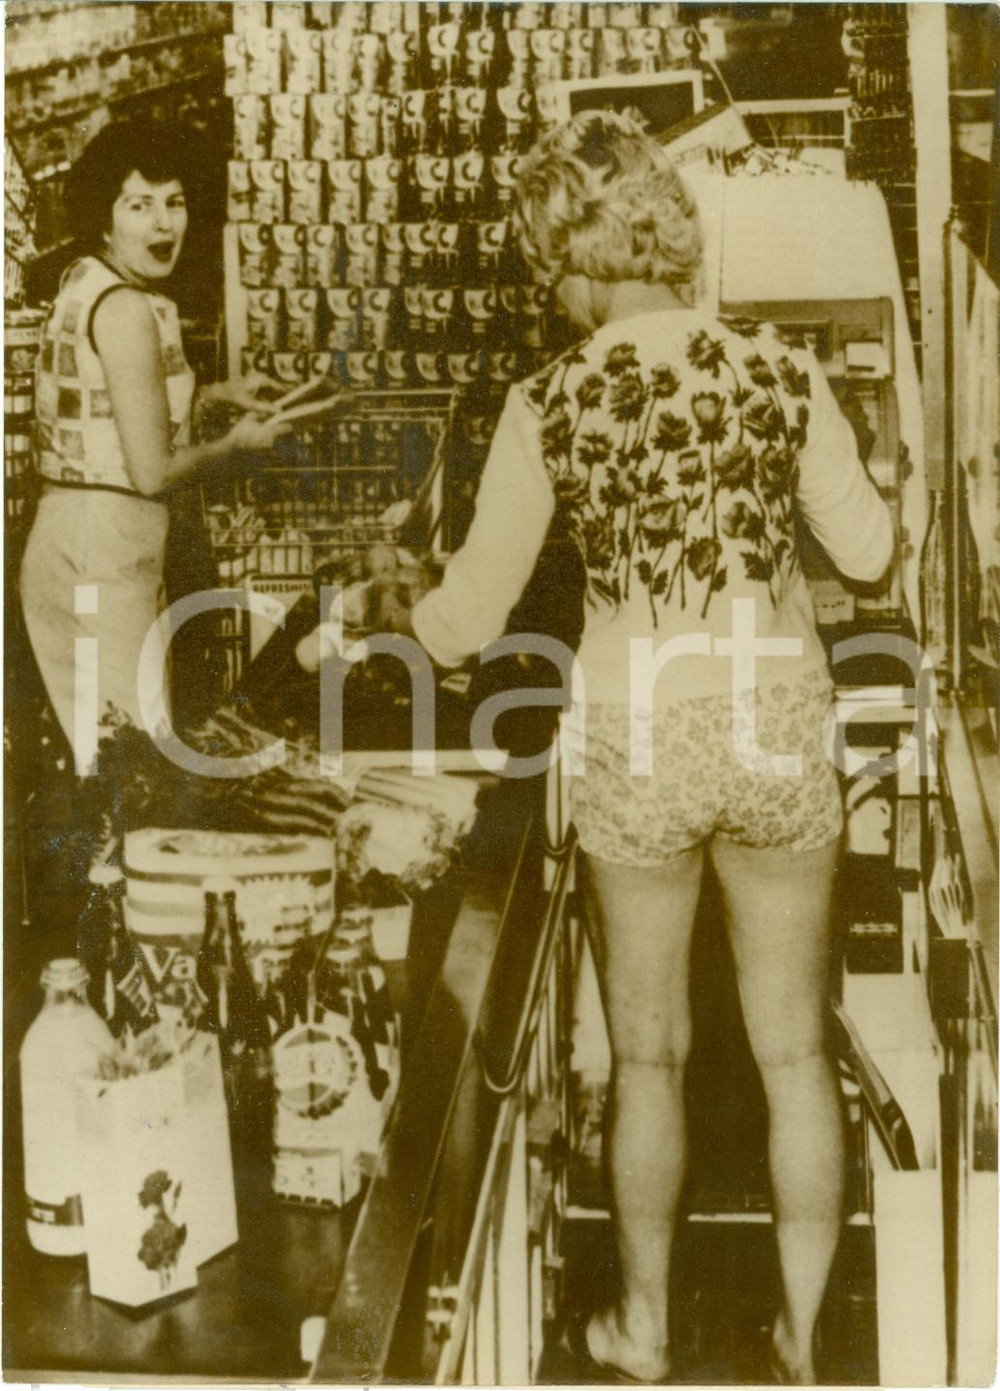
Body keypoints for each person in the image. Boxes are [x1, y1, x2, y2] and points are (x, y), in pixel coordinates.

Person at [407, 113, 894, 1383]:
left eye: (543, 261)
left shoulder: (551, 398)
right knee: (794, 1050)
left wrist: (391, 605)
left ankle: (644, 1325)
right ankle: (798, 1330)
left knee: (649, 1052)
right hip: (774, 717)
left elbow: (465, 617)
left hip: (635, 733)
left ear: (571, 254)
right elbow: (871, 552)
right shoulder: (781, 370)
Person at [20, 120, 288, 766]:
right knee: (132, 768)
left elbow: (117, 414)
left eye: (175, 201)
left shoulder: (92, 282)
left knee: (119, 760)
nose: (163, 224)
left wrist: (218, 396)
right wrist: (237, 445)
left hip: (84, 542)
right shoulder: (127, 311)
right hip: (100, 554)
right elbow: (151, 470)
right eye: (138, 204)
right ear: (104, 217)